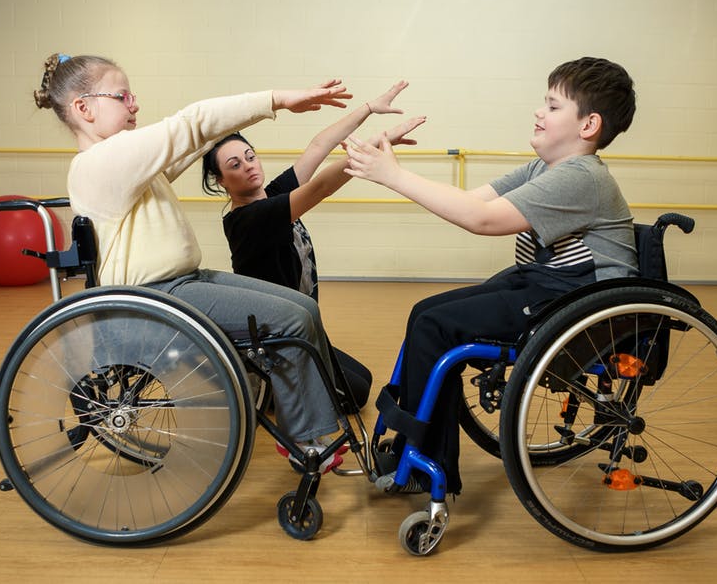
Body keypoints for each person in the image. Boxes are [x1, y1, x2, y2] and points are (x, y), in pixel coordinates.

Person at [34, 52, 354, 474]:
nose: (134, 105)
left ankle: (312, 425)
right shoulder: (99, 163)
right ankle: (305, 440)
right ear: (83, 108)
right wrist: (277, 99)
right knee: (291, 322)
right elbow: (193, 122)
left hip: (181, 283)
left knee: (304, 310)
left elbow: (199, 138)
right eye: (122, 96)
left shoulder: (124, 165)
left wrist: (256, 117)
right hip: (155, 298)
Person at [343, 57, 639, 494]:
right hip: (549, 286)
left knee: (435, 325)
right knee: (426, 311)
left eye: (553, 106)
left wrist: (394, 177)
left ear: (588, 124)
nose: (540, 112)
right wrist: (393, 173)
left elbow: (481, 220)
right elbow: (469, 201)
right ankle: (413, 445)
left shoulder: (581, 177)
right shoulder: (546, 168)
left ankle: (429, 465)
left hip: (580, 303)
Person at [200, 81, 426, 410]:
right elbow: (320, 186)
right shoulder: (249, 219)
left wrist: (368, 110)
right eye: (235, 165)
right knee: (357, 393)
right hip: (277, 336)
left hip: (302, 327)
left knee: (361, 376)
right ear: (220, 180)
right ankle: (270, 386)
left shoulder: (272, 194)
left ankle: (287, 381)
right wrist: (375, 148)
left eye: (250, 156)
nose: (249, 165)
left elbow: (319, 146)